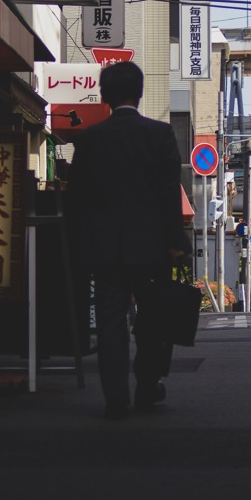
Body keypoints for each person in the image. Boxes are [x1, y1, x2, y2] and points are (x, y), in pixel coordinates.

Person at [65, 61, 185, 419]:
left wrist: (76, 248)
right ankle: (148, 385)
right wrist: (175, 240)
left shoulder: (88, 139)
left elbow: (77, 200)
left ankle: (115, 396)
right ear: (141, 92)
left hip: (103, 249)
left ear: (104, 96)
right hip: (151, 247)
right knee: (153, 318)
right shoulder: (160, 135)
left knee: (110, 322)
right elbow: (169, 193)